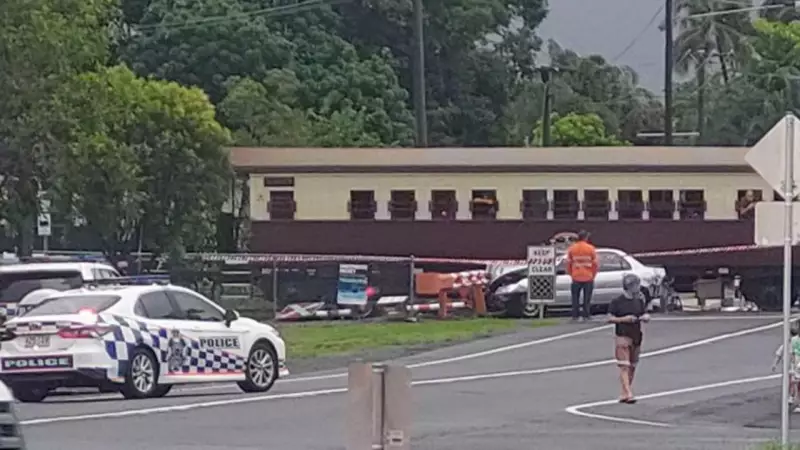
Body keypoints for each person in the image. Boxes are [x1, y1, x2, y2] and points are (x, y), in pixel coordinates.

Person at [608, 273, 650, 404]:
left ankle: (624, 392)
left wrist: (645, 317)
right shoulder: (617, 302)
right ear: (629, 286)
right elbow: (610, 318)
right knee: (624, 365)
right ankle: (629, 393)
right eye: (636, 285)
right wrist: (623, 319)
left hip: (636, 335)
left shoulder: (639, 301)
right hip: (622, 334)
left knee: (632, 365)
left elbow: (644, 313)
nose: (638, 288)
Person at [566, 229, 598, 321]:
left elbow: (568, 263)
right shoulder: (590, 248)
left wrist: (571, 274)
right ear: (586, 238)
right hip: (588, 276)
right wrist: (593, 275)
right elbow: (595, 264)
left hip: (576, 276)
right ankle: (586, 315)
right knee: (587, 298)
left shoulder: (572, 249)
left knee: (575, 298)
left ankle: (575, 315)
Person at [772, 322, 800, 405]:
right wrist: (774, 364)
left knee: (793, 382)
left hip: (794, 367)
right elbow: (779, 355)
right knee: (790, 382)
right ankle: (791, 396)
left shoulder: (794, 344)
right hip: (788, 367)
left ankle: (792, 396)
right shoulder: (785, 345)